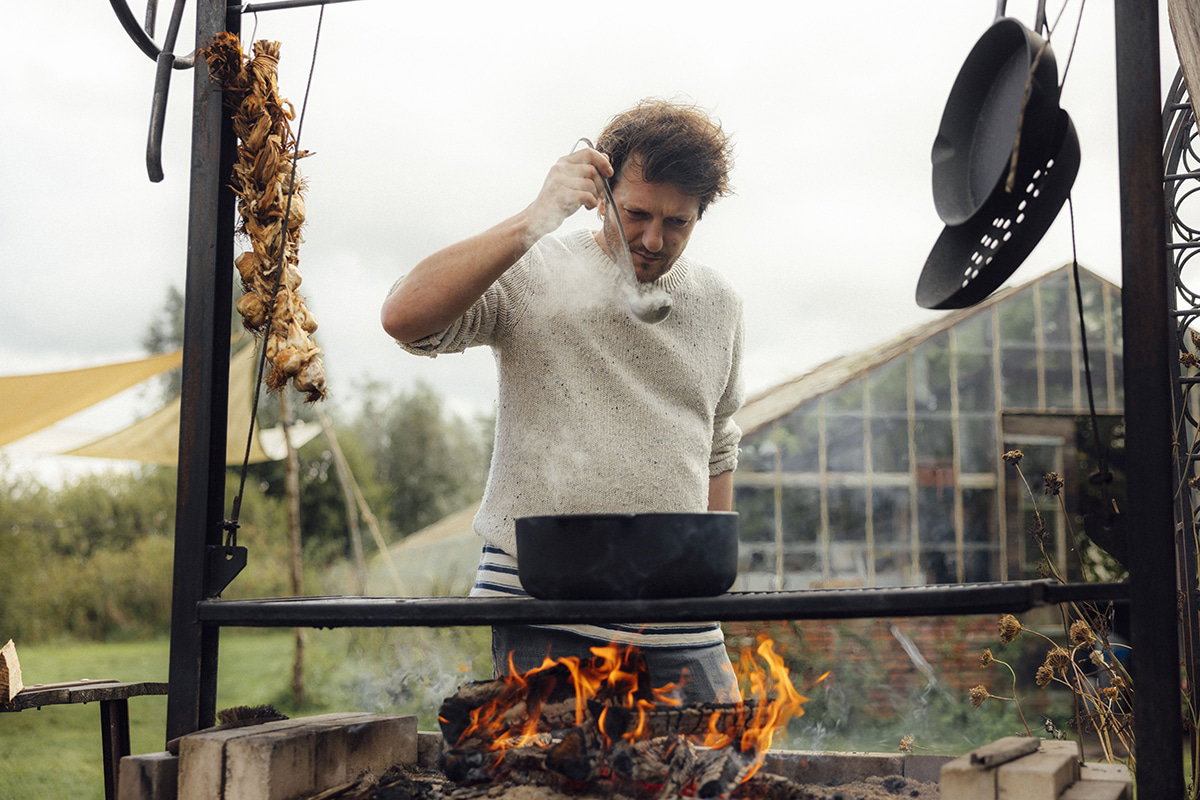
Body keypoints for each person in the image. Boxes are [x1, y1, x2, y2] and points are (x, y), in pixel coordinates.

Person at [380, 99, 744, 704]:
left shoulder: (719, 302)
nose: (653, 239)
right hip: (544, 604)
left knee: (722, 774)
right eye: (637, 213)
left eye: (677, 222)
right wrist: (534, 218)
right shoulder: (533, 270)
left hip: (678, 612)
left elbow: (718, 443)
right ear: (600, 192)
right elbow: (404, 318)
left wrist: (708, 581)